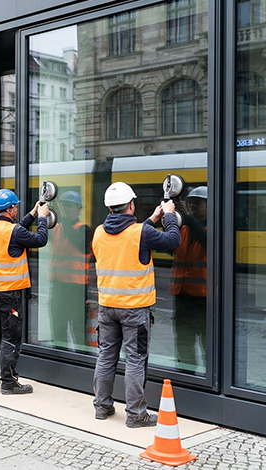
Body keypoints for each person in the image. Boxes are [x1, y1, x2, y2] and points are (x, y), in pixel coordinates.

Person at [91, 182, 180, 428]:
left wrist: (152, 218)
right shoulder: (141, 232)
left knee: (106, 357)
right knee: (134, 360)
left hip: (107, 308)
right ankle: (136, 414)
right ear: (131, 205)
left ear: (109, 208)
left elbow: (128, 237)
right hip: (134, 310)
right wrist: (169, 215)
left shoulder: (99, 232)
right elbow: (172, 240)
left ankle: (102, 406)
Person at [0, 189, 49, 395]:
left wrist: (33, 214)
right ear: (9, 209)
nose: (17, 209)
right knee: (10, 338)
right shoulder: (14, 231)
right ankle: (8, 382)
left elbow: (16, 233)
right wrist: (43, 218)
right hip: (9, 294)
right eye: (15, 206)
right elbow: (39, 239)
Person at [48, 191, 94, 351]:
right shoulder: (56, 228)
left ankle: (82, 364)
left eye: (70, 206)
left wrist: (63, 220)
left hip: (77, 290)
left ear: (78, 209)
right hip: (58, 287)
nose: (66, 209)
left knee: (79, 332)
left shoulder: (84, 230)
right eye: (64, 205)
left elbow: (78, 242)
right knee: (58, 331)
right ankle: (60, 363)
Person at [171, 186, 207, 372]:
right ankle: (187, 374)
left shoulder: (213, 229)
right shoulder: (183, 229)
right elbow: (168, 247)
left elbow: (207, 240)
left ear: (209, 206)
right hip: (183, 296)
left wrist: (189, 218)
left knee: (207, 344)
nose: (192, 206)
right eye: (190, 203)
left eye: (197, 203)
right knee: (184, 342)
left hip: (205, 300)